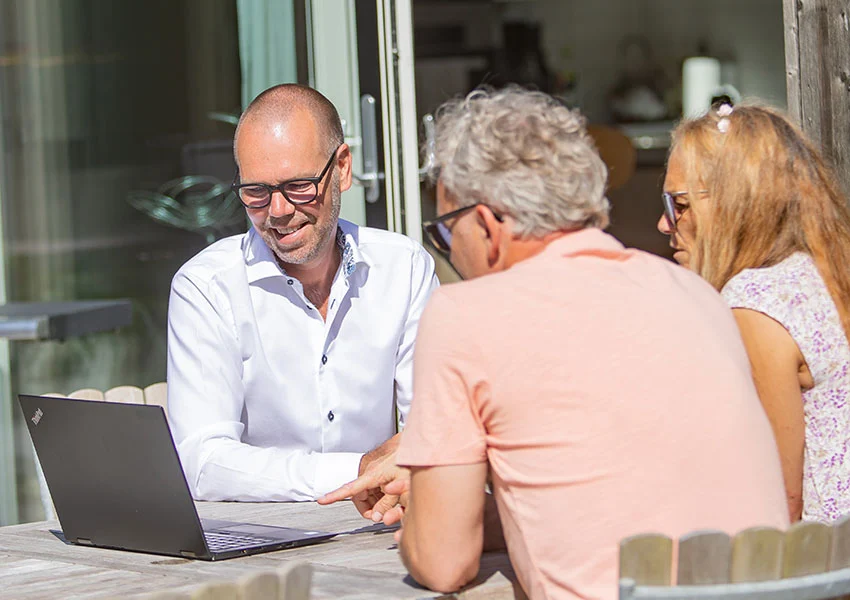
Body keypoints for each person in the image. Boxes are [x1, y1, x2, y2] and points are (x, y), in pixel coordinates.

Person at [325, 87, 789, 599]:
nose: (448, 252)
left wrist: (423, 511)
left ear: (487, 225)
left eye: (445, 233)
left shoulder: (466, 316)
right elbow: (612, 502)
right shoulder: (695, 294)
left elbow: (442, 562)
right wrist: (479, 510)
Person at [166, 84, 438, 502]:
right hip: (257, 545)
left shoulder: (403, 269)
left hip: (378, 530)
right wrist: (358, 470)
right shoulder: (207, 287)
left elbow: (433, 430)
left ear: (342, 169)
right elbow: (203, 464)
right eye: (256, 192)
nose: (278, 211)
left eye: (298, 186)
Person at [657, 103, 850, 523]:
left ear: (736, 204)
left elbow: (779, 499)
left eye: (679, 205)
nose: (663, 223)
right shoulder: (823, 268)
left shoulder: (755, 303)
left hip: (823, 568)